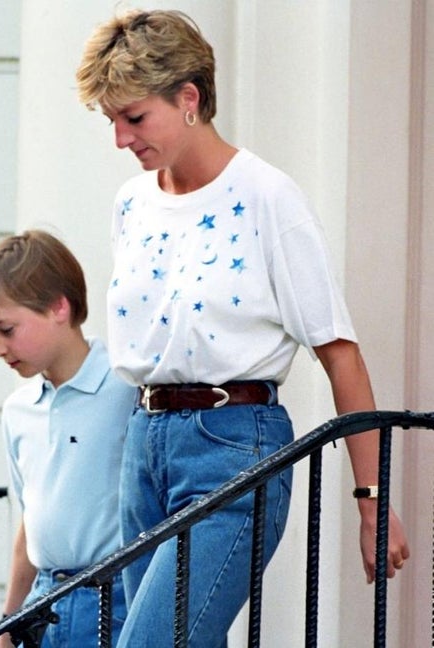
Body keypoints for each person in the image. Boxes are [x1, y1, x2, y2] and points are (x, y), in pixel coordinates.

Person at [74, 9, 409, 647]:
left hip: (231, 445)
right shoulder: (132, 204)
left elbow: (340, 355)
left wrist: (371, 501)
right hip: (142, 449)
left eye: (134, 117)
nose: (120, 139)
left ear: (190, 97)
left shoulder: (266, 197)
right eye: (110, 120)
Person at [0, 230, 137, 647]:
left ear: (60, 306)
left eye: (6, 329)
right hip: (43, 608)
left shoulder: (129, 387)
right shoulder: (18, 411)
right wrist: (7, 623)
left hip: (114, 603)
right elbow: (31, 521)